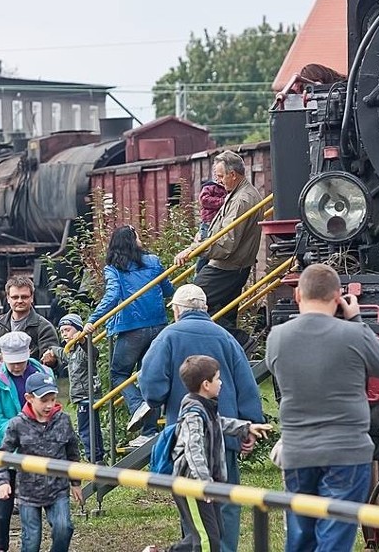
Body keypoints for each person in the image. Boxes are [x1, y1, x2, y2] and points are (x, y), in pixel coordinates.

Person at [266, 263, 379, 552]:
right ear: (338, 297)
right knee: (335, 535)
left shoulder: (277, 337)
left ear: (298, 294)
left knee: (301, 536)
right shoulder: (354, 334)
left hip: (299, 449)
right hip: (346, 450)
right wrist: (355, 320)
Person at [140, 283, 264, 552]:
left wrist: (158, 399)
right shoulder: (225, 337)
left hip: (187, 442)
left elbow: (151, 384)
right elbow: (247, 384)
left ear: (177, 310)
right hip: (223, 439)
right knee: (227, 506)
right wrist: (249, 425)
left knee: (196, 513)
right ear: (205, 309)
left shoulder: (167, 337)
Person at [166, 355, 272, 552]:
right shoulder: (193, 413)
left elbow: (220, 423)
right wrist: (203, 482)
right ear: (206, 384)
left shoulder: (206, 407)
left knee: (215, 533)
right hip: (192, 484)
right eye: (218, 379)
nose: (221, 383)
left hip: (206, 483)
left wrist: (247, 427)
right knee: (207, 540)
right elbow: (193, 448)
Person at [84, 225, 174, 447]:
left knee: (119, 373)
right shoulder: (153, 261)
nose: (141, 239)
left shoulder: (114, 268)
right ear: (131, 241)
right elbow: (168, 289)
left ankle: (136, 407)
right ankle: (149, 430)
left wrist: (92, 320)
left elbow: (113, 294)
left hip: (132, 327)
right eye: (137, 236)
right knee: (146, 374)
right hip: (158, 326)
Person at [174, 150, 262, 351]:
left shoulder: (241, 199)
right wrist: (202, 239)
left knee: (191, 301)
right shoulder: (238, 193)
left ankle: (240, 341)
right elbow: (222, 230)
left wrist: (195, 249)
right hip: (233, 265)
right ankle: (233, 347)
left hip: (227, 266)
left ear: (233, 174)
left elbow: (227, 242)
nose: (218, 181)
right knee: (221, 313)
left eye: (221, 176)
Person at [0, 372, 83, 552]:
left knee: (63, 528)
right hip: (29, 491)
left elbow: (72, 453)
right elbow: (3, 455)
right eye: (44, 400)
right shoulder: (17, 424)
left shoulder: (63, 421)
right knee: (31, 539)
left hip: (57, 488)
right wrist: (3, 481)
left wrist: (75, 483)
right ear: (29, 398)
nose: (49, 405)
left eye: (53, 399)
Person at [0, 331, 55, 552]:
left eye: (20, 362)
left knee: (40, 506)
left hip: (39, 451)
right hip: (4, 449)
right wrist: (23, 431)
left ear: (28, 355)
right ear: (3, 358)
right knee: (2, 510)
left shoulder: (43, 374)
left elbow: (52, 408)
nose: (16, 367)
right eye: (12, 362)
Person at [0, 275, 59, 415]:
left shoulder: (44, 327)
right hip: (1, 390)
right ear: (8, 298)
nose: (19, 301)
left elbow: (49, 366)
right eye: (15, 297)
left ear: (32, 297)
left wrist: (52, 358)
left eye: (24, 297)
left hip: (32, 393)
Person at [48, 313, 105, 463]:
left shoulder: (84, 349)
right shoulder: (71, 352)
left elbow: (93, 352)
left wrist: (84, 338)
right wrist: (52, 350)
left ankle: (94, 458)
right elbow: (63, 354)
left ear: (78, 330)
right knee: (92, 427)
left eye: (67, 329)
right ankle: (98, 456)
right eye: (62, 331)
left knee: (86, 430)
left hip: (87, 395)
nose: (64, 334)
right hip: (82, 398)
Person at [194, 180, 227, 274]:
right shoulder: (210, 187)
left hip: (219, 224)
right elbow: (204, 200)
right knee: (205, 248)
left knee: (215, 248)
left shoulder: (228, 189)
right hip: (208, 222)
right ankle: (199, 272)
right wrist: (223, 201)